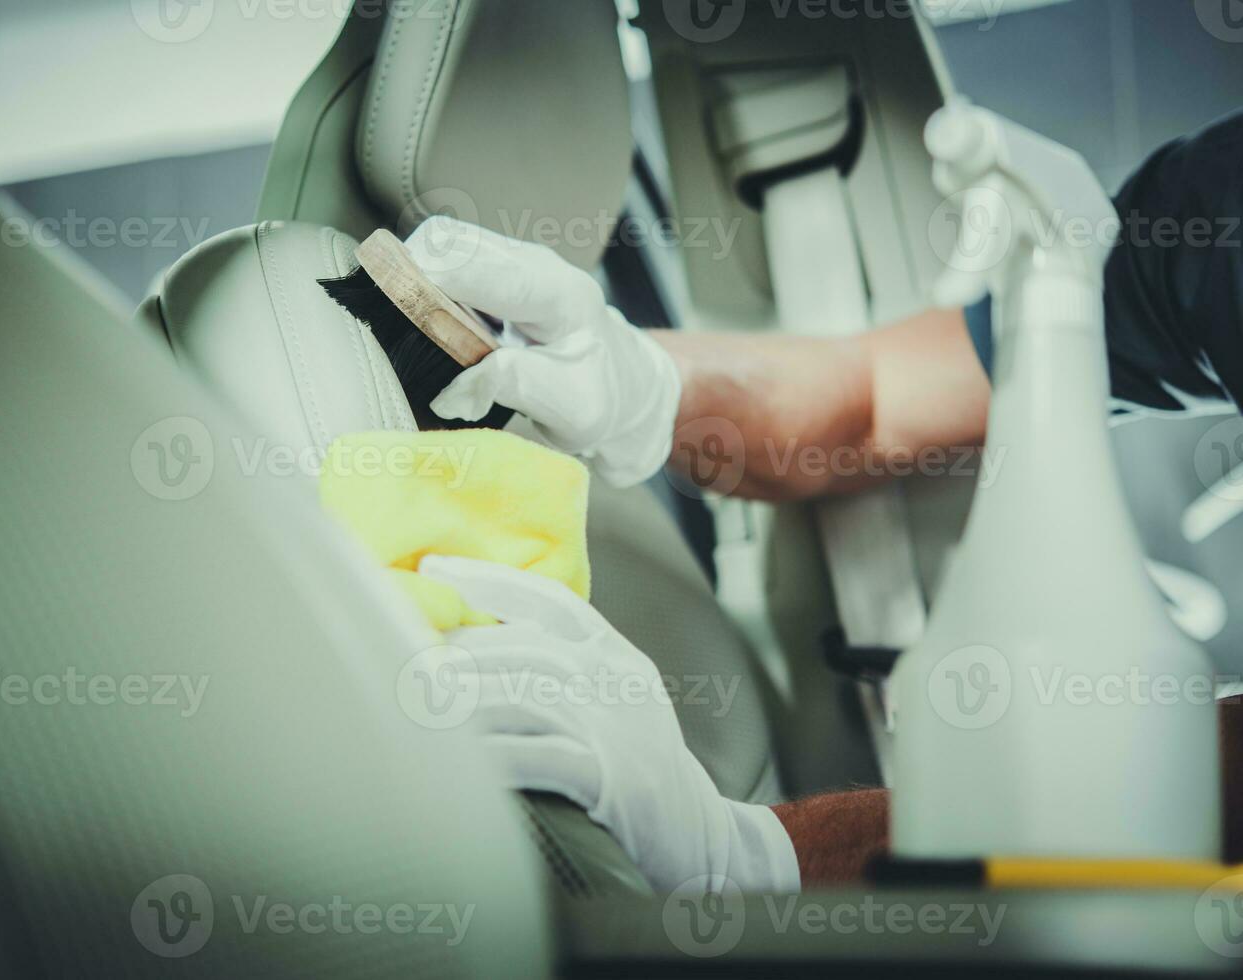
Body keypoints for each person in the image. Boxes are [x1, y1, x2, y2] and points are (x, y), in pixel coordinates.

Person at [404, 108, 1243, 893]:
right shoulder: (1220, 208)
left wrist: (761, 859)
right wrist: (640, 382)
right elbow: (877, 398)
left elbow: (1173, 795)